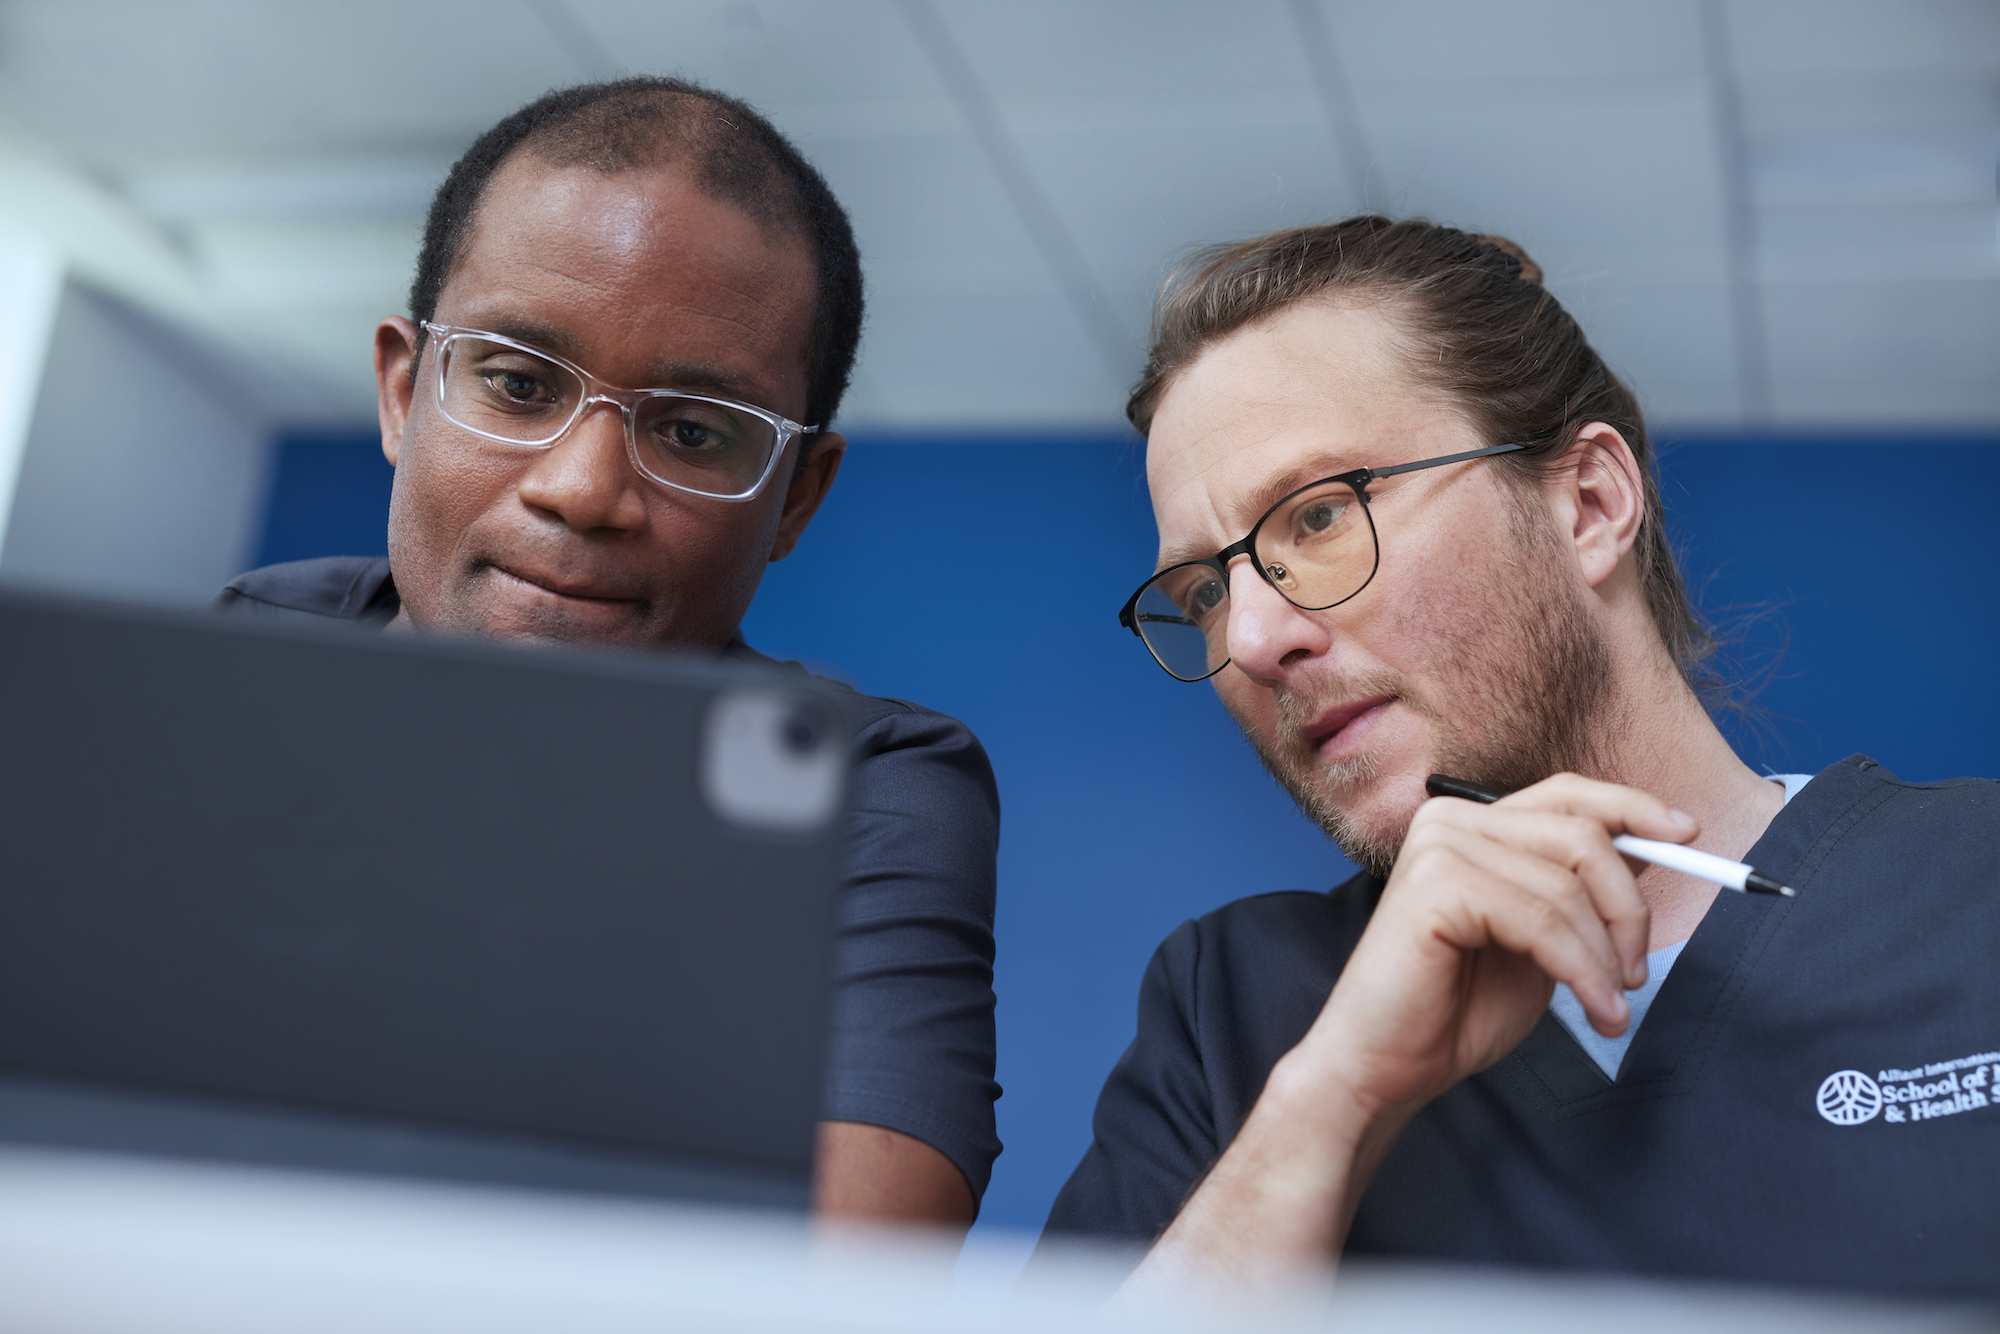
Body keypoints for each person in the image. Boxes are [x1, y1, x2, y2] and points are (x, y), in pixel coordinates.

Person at [1038, 216, 1999, 1299]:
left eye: (1317, 515)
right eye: (1204, 592)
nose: (1252, 640)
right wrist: (1334, 1094)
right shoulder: (1238, 1010)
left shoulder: (1973, 890)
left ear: (1587, 504)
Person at [214, 78, 999, 1232]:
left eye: (693, 430)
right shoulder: (249, 655)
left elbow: (845, 1277)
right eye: (517, 384)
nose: (582, 490)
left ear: (795, 499)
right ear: (401, 390)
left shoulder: (865, 789)